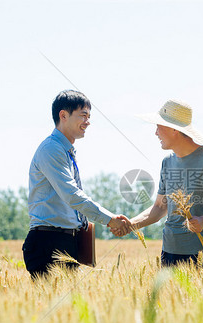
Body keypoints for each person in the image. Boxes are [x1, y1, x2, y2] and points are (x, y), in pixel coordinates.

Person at [112, 100, 203, 266]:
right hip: (170, 253)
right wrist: (131, 224)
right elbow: (160, 207)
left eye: (158, 126)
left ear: (174, 129)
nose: (156, 133)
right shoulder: (167, 162)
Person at [22, 90, 129, 279]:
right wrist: (110, 219)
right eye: (83, 115)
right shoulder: (51, 149)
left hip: (65, 241)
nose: (88, 121)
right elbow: (72, 195)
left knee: (67, 306)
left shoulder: (65, 151)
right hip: (48, 242)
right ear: (63, 115)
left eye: (89, 116)